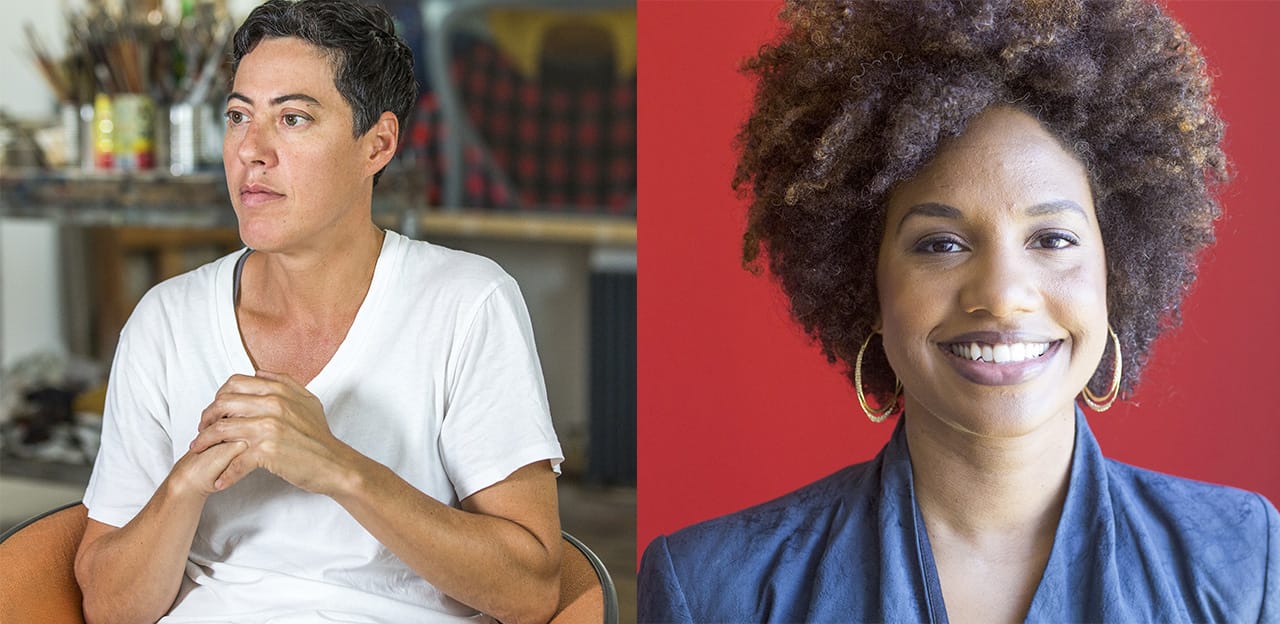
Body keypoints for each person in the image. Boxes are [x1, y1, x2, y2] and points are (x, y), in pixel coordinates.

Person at [638, 1, 1278, 622]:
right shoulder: (714, 590)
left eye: (1052, 239)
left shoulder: (1249, 565)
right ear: (870, 288)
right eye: (941, 244)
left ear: (1120, 273)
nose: (1001, 294)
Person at [73, 1, 564, 622]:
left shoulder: (467, 302)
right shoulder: (164, 319)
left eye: (294, 118)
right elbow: (111, 609)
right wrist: (186, 482)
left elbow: (531, 593)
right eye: (238, 115)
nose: (252, 150)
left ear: (377, 144)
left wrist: (337, 467)